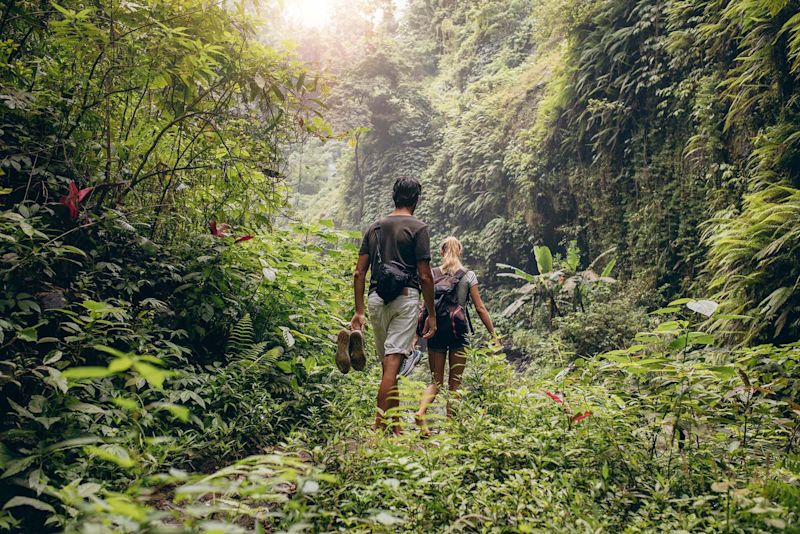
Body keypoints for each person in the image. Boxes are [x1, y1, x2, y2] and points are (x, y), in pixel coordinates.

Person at [350, 176, 437, 434]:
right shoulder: (418, 228)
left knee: (389, 364)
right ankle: (379, 423)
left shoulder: (374, 228)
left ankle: (395, 425)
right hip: (405, 297)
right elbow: (425, 275)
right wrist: (431, 313)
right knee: (393, 362)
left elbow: (359, 273)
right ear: (415, 199)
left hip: (376, 299)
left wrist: (359, 311)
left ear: (394, 196)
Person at [415, 236, 498, 436]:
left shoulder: (432, 275)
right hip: (458, 331)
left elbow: (423, 308)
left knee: (436, 381)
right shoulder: (468, 276)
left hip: (435, 330)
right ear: (459, 251)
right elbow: (479, 308)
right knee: (455, 383)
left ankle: (420, 412)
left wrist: (415, 335)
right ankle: (450, 428)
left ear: (442, 252)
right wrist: (493, 334)